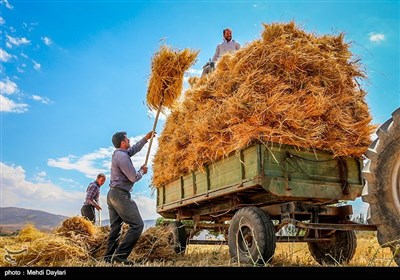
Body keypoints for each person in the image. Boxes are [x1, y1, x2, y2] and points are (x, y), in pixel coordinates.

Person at [104, 130, 156, 265]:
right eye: (127, 140)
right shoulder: (122, 157)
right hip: (120, 195)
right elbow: (133, 177)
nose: (129, 142)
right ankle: (120, 256)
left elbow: (134, 149)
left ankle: (108, 258)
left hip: (112, 194)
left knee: (115, 228)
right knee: (137, 224)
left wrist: (145, 138)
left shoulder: (120, 154)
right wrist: (142, 172)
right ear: (122, 143)